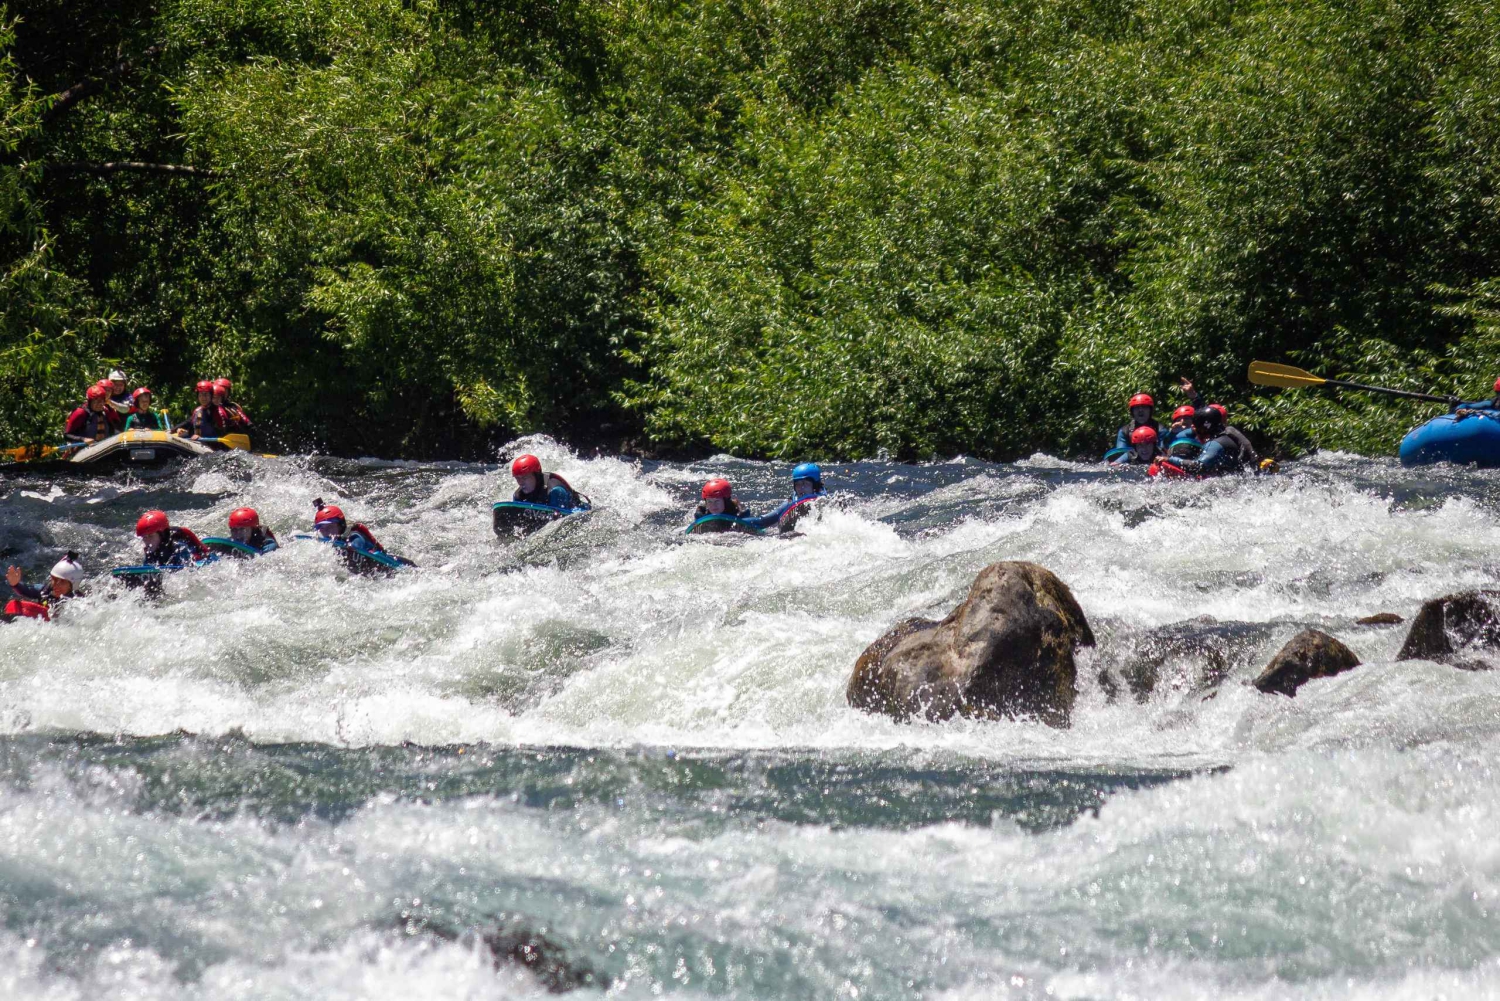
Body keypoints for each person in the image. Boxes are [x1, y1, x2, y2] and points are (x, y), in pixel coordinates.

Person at [1170, 406, 1259, 477]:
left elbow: (1199, 466)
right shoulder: (1228, 433)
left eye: (1196, 426)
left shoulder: (1215, 444)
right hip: (1244, 477)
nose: (1194, 429)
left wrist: (1171, 459)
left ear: (1204, 427)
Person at [742, 462, 826, 531]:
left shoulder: (823, 500)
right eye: (798, 484)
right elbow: (763, 521)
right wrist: (740, 522)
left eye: (805, 484)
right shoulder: (790, 503)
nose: (801, 488)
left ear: (815, 486)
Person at [312, 498, 391, 571]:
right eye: (322, 529)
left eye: (330, 527)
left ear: (341, 525)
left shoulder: (354, 535)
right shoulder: (331, 544)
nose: (327, 531)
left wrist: (351, 545)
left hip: (385, 568)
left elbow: (357, 543)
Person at [3, 553, 84, 622]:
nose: (56, 585)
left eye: (62, 581)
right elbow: (27, 590)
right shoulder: (45, 590)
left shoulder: (79, 602)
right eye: (54, 579)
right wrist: (15, 584)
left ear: (72, 585)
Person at [510, 454, 587, 510]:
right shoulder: (518, 495)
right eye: (517, 478)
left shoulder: (555, 491)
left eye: (524, 477)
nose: (520, 482)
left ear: (536, 475)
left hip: (579, 511)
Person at [136, 510, 211, 566]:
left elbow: (188, 568)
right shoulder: (150, 549)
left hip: (200, 557)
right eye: (144, 537)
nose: (147, 541)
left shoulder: (178, 548)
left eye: (150, 536)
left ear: (162, 535)